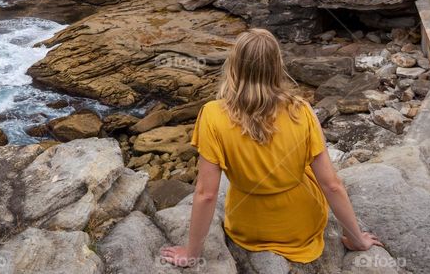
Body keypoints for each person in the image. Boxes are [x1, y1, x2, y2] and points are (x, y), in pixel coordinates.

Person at [160, 28, 382, 267]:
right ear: (277, 66)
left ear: (234, 65)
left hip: (249, 228)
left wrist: (192, 253)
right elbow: (331, 185)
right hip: (301, 227)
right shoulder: (301, 110)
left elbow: (206, 194)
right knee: (310, 174)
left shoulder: (213, 115)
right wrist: (357, 239)